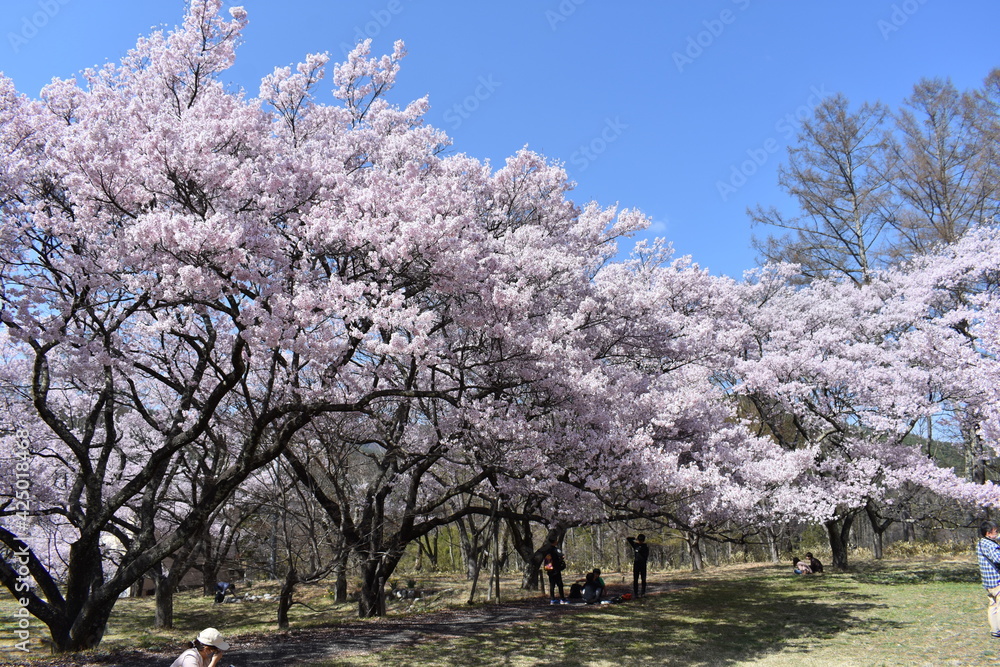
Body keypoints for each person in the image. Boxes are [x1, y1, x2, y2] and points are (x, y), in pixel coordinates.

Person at [977, 520, 1000, 638]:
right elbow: (998, 559)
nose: (997, 533)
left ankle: (995, 630)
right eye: (995, 531)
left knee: (993, 606)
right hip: (997, 580)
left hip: (988, 582)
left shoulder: (981, 543)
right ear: (988, 533)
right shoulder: (991, 545)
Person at [537, 536, 566, 603]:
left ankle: (552, 599)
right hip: (556, 569)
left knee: (552, 584)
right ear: (554, 542)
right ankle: (562, 599)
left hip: (549, 569)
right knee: (559, 584)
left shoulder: (546, 550)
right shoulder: (555, 549)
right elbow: (562, 556)